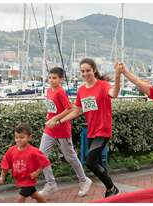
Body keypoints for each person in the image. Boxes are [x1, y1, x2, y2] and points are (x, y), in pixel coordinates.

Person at [54, 58, 122, 197]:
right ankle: (111, 189)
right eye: (83, 71)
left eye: (88, 70)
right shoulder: (81, 90)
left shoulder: (103, 85)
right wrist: (59, 121)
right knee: (95, 162)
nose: (85, 73)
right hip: (92, 131)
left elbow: (114, 93)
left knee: (90, 161)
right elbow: (76, 111)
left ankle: (111, 188)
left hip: (103, 130)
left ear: (94, 70)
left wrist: (118, 74)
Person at [39, 67, 92, 197]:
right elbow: (52, 108)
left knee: (70, 157)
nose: (51, 80)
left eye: (54, 78)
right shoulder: (48, 91)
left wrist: (55, 119)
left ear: (61, 79)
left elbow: (70, 109)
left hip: (62, 130)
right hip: (49, 130)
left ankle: (84, 180)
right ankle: (50, 184)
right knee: (40, 156)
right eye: (50, 77)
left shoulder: (61, 92)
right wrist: (49, 118)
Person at [0, 123, 50, 203]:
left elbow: (45, 161)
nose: (19, 140)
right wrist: (2, 177)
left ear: (29, 137)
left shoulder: (34, 151)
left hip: (28, 180)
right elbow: (5, 164)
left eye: (22, 137)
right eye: (16, 137)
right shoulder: (11, 151)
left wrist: (37, 172)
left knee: (19, 200)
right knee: (36, 196)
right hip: (20, 180)